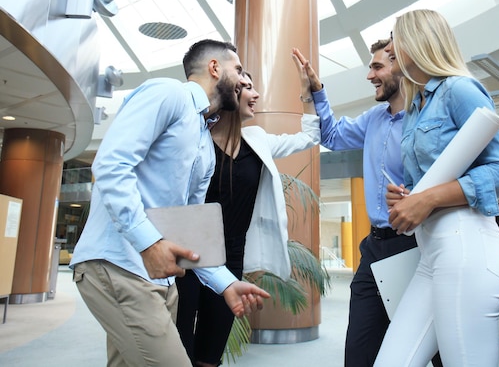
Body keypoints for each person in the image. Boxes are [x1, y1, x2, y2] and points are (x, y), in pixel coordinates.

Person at [70, 39, 270, 367]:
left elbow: (188, 228)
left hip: (162, 282)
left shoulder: (205, 144)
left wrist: (225, 284)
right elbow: (110, 165)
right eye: (238, 70)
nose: (245, 81)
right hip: (118, 265)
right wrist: (150, 243)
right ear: (215, 68)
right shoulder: (168, 94)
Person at [374, 9, 499, 367]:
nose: (391, 45)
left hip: (467, 245)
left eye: (396, 37)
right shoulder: (416, 106)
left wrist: (429, 198)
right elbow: (431, 178)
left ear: (418, 41)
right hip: (432, 253)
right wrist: (408, 196)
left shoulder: (459, 89)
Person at [292, 42, 442, 367]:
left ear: (401, 67)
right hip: (375, 248)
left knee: (438, 348)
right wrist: (316, 90)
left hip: (417, 246)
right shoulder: (374, 118)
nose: (370, 75)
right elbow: (331, 135)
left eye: (377, 67)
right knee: (359, 352)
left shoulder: (428, 119)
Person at [176, 59, 321, 366]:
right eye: (247, 87)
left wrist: (308, 95)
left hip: (231, 259)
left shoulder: (257, 141)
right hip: (187, 255)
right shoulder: (195, 139)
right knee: (177, 349)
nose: (255, 95)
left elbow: (309, 137)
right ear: (229, 93)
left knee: (209, 354)